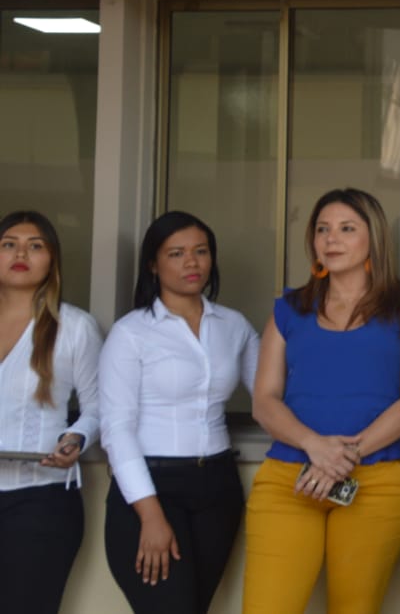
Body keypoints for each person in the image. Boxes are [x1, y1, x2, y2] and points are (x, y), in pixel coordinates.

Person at [245, 188, 400, 614]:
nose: (331, 240)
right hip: (290, 477)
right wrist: (315, 446)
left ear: (373, 239)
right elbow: (264, 401)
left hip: (378, 481)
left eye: (346, 229)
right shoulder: (289, 308)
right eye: (322, 229)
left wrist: (345, 455)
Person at [99, 211, 259, 614]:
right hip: (150, 489)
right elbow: (117, 429)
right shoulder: (131, 332)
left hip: (218, 488)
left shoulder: (233, 326)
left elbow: (271, 397)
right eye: (176, 253)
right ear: (153, 263)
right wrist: (150, 515)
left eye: (201, 252)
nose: (192, 262)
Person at [0, 211, 102, 614]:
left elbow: (98, 409)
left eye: (35, 245)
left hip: (40, 502)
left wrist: (75, 439)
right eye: (9, 243)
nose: (20, 252)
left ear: (52, 259)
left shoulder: (74, 327)